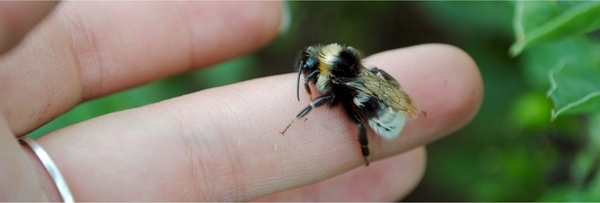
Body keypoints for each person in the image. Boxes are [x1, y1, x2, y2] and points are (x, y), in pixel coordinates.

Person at [0, 1, 483, 201]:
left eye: (312, 75)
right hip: (378, 94)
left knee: (356, 113)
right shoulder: (347, 66)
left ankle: (363, 153)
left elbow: (332, 98)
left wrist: (295, 122)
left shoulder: (340, 83)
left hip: (379, 114)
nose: (310, 82)